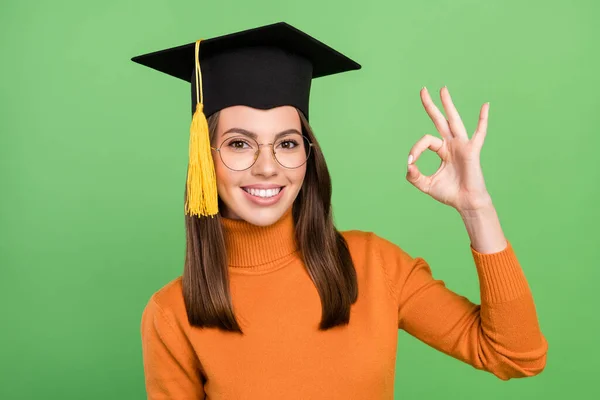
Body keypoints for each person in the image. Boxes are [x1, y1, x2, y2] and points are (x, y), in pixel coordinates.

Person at [131, 22, 548, 399]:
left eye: (288, 143)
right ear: (205, 158)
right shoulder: (171, 315)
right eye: (239, 143)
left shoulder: (373, 265)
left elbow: (515, 355)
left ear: (309, 155)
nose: (267, 165)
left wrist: (477, 208)